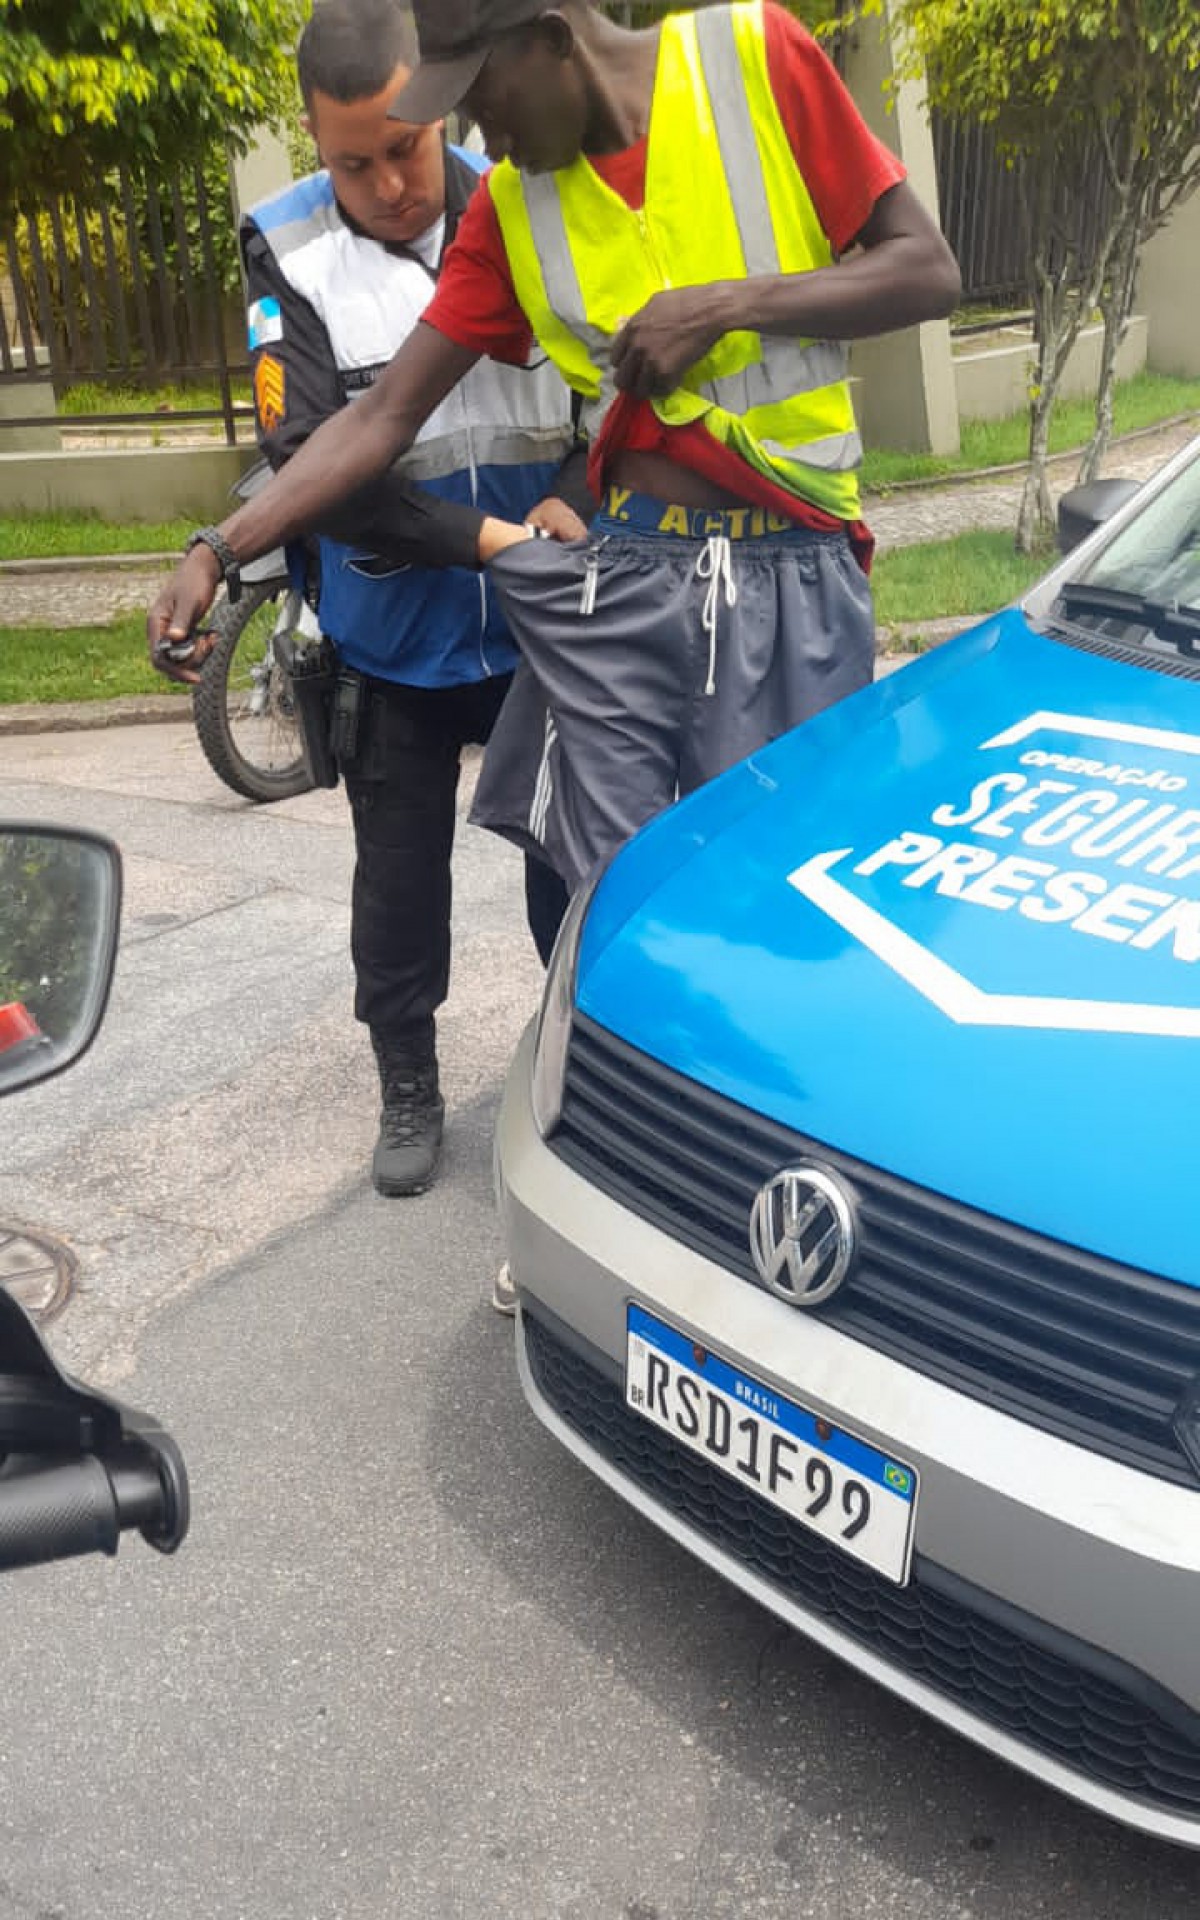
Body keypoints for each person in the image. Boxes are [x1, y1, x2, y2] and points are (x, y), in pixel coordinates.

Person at [150, 0, 960, 898]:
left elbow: (926, 269)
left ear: (549, 38)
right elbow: (381, 415)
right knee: (616, 893)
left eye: (486, 101)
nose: (487, 142)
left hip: (793, 569)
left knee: (784, 887)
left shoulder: (754, 55)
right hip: (627, 577)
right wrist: (220, 549)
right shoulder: (510, 206)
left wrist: (726, 304)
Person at [151, 0, 586, 1200]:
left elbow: (611, 396)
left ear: (438, 108)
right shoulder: (286, 249)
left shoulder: (530, 196)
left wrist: (572, 492)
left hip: (542, 625)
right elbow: (312, 468)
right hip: (392, 635)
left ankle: (587, 1061)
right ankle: (408, 1082)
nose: (390, 186)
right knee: (398, 887)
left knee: (572, 863)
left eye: (405, 148)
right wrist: (484, 541)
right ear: (314, 143)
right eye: (355, 165)